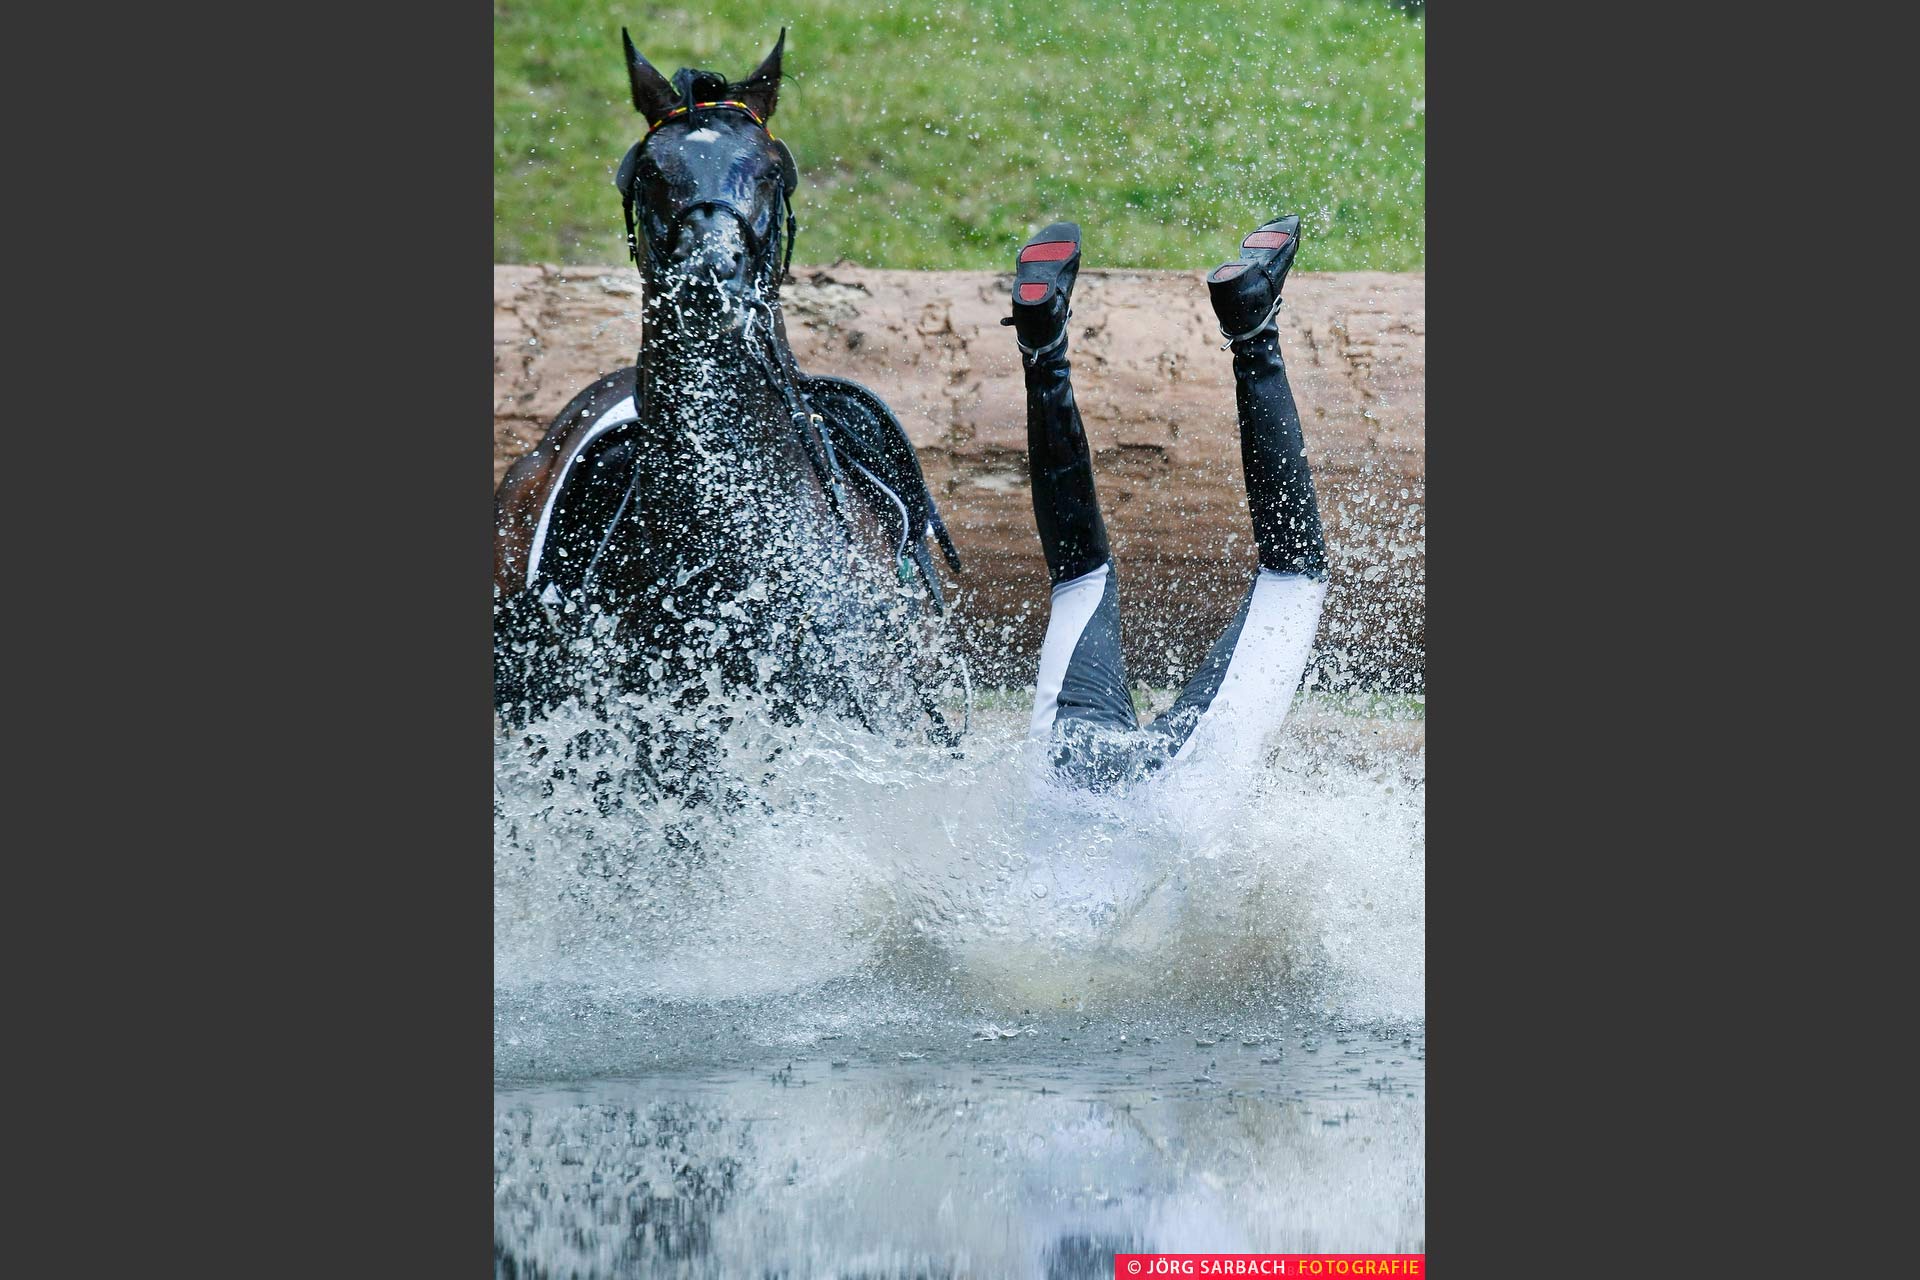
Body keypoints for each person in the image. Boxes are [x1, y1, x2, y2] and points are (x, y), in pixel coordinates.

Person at [1007, 216, 1329, 798]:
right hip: (1077, 772)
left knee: (1293, 575)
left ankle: (1254, 327)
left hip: (1157, 796)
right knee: (1078, 578)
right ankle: (1041, 347)